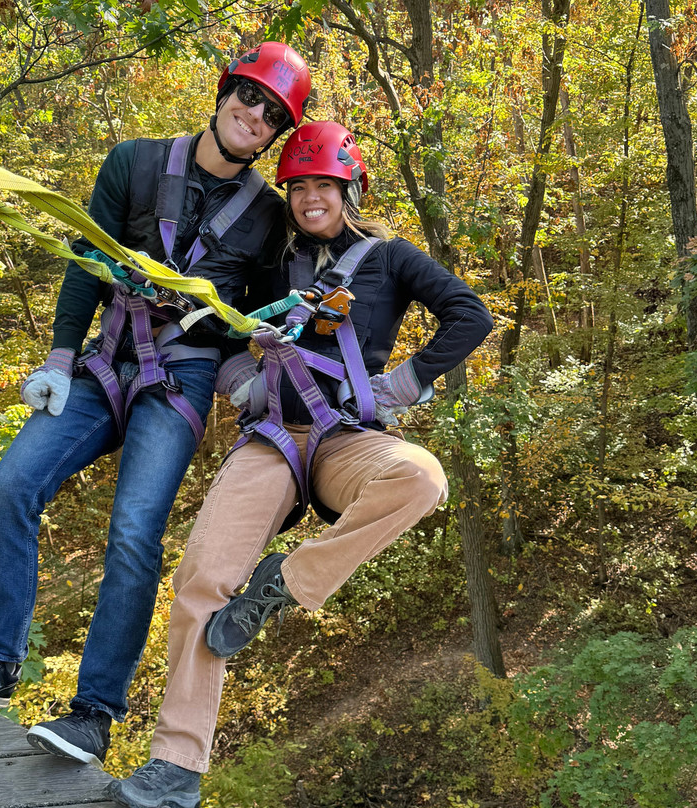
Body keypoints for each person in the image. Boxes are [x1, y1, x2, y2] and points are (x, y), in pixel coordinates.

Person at [0, 42, 312, 770]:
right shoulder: (133, 162)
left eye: (271, 113)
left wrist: (247, 376)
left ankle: (94, 713)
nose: (252, 116)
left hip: (181, 380)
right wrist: (59, 357)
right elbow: (83, 261)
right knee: (12, 485)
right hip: (104, 364)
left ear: (276, 133)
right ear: (225, 91)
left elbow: (252, 316)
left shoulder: (265, 217)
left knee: (134, 532)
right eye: (248, 96)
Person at [105, 121, 494, 808]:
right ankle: (176, 766)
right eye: (299, 186)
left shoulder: (390, 258)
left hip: (345, 438)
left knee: (422, 478)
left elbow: (470, 315)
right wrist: (239, 381)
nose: (312, 197)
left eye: (324, 185)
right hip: (275, 440)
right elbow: (216, 328)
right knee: (203, 575)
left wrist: (404, 383)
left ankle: (285, 583)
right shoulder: (268, 265)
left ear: (350, 188)